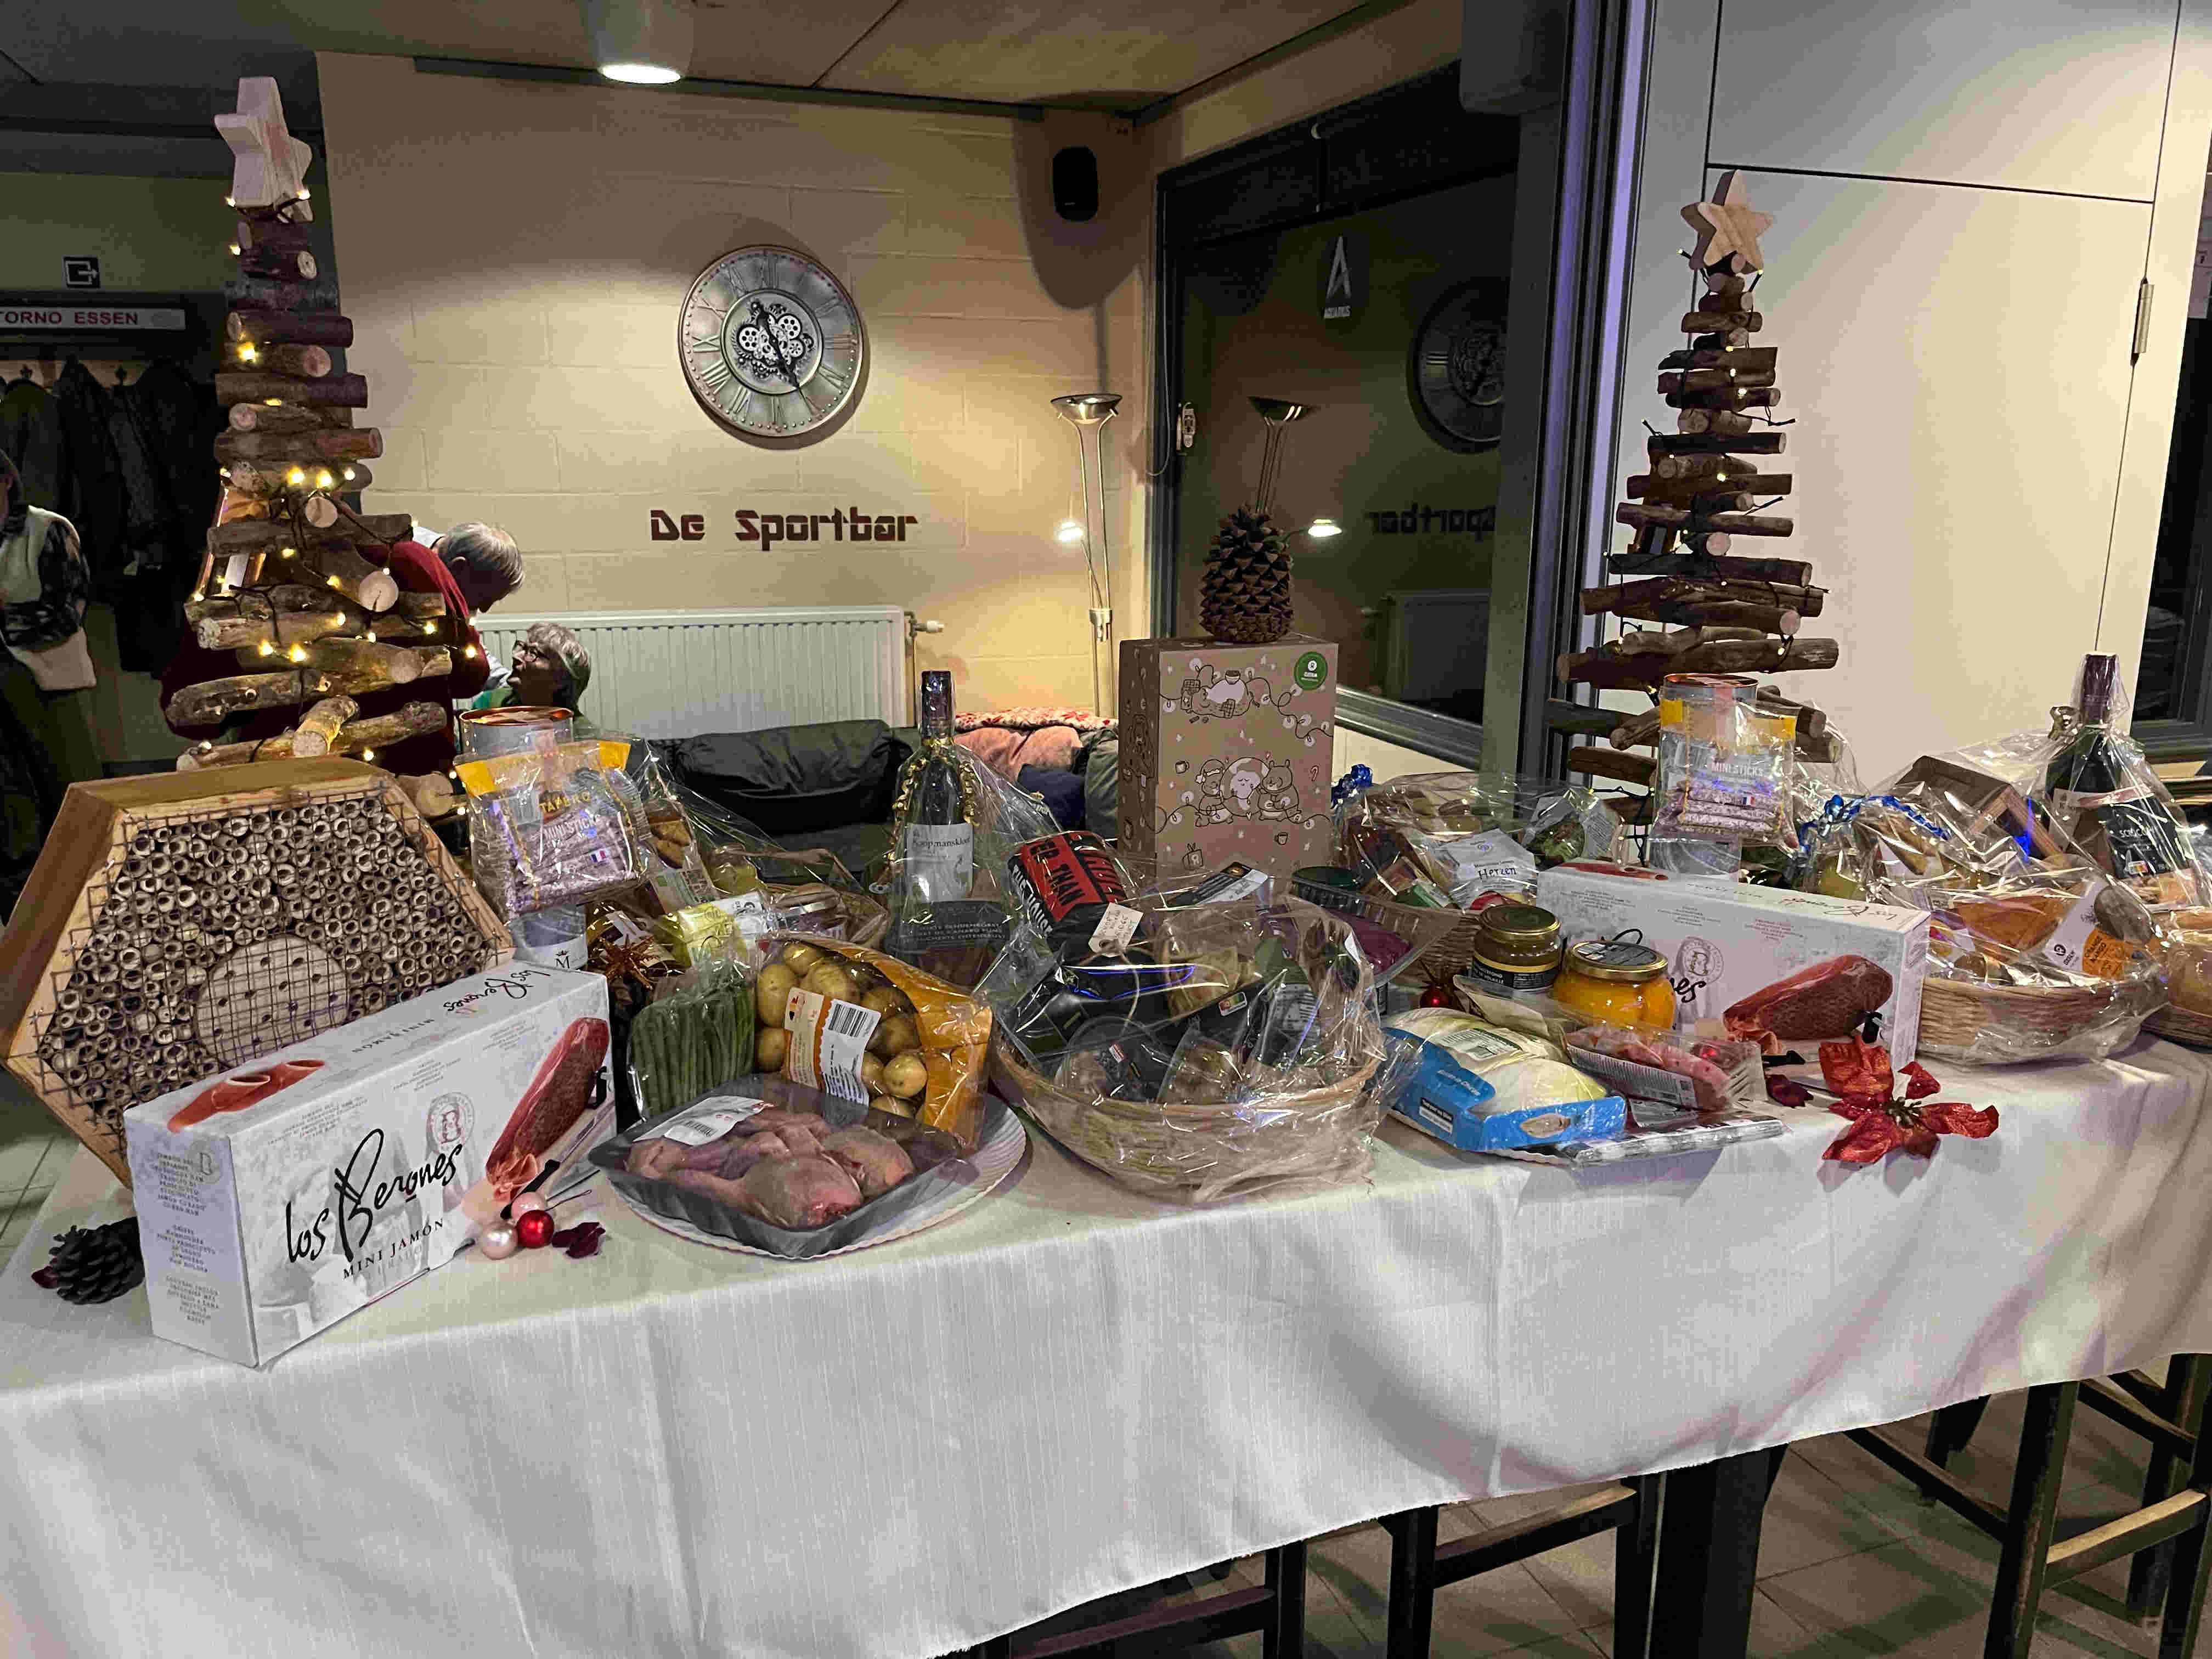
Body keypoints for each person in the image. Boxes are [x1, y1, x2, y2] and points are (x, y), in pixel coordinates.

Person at [472, 620, 590, 714]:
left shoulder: (578, 732)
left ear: (561, 678)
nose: (516, 656)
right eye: (523, 648)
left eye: (533, 653)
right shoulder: (487, 704)